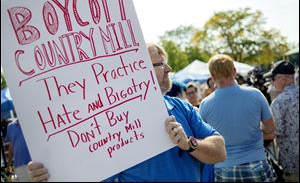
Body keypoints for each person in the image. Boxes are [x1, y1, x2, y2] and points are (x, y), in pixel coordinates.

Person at [28, 43, 226, 182]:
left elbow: (220, 150)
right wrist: (51, 176)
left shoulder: (180, 106)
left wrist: (189, 144)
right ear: (139, 69)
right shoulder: (115, 122)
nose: (169, 68)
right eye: (160, 64)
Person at [199, 54, 276, 182]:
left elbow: (205, 140)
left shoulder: (205, 104)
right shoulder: (255, 94)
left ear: (212, 77)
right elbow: (270, 128)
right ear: (234, 71)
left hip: (224, 169)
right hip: (256, 164)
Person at [264, 60, 299, 182]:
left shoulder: (280, 102)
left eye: (273, 79)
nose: (272, 83)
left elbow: (273, 132)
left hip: (293, 166)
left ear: (282, 79)